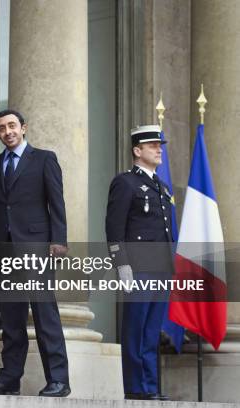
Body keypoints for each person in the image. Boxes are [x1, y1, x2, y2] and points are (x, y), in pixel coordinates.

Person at [0, 109, 70, 397]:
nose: (8, 131)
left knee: (45, 315)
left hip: (37, 247)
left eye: (12, 126)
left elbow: (57, 202)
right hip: (5, 249)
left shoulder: (44, 159)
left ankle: (59, 380)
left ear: (23, 128)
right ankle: (9, 379)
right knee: (11, 318)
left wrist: (59, 240)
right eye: (2, 128)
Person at [105, 125, 174, 401]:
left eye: (160, 146)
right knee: (135, 328)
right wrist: (122, 264)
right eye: (152, 146)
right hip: (138, 267)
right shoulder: (125, 183)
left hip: (161, 267)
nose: (159, 150)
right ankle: (136, 388)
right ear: (137, 150)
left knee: (151, 330)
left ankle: (150, 386)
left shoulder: (162, 186)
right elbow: (114, 228)